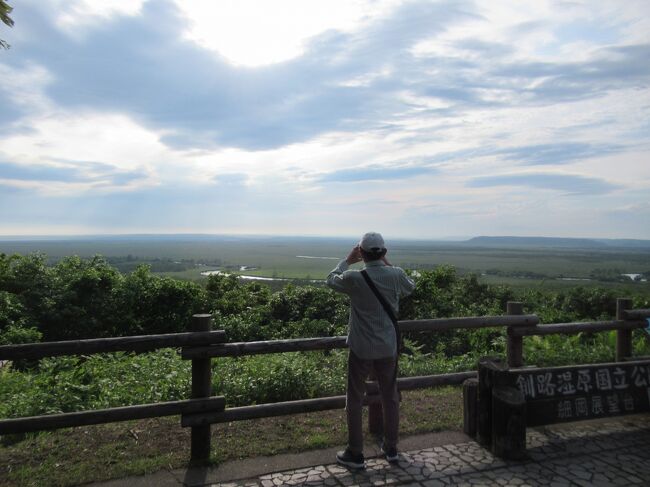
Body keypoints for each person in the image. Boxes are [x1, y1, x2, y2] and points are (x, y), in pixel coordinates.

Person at [326, 232, 415, 469]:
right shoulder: (396, 275)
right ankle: (392, 447)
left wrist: (347, 260)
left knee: (354, 399)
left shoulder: (354, 277)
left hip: (361, 348)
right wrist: (387, 264)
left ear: (361, 253)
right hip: (388, 347)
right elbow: (410, 287)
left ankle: (355, 452)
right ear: (383, 253)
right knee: (390, 396)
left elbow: (330, 279)